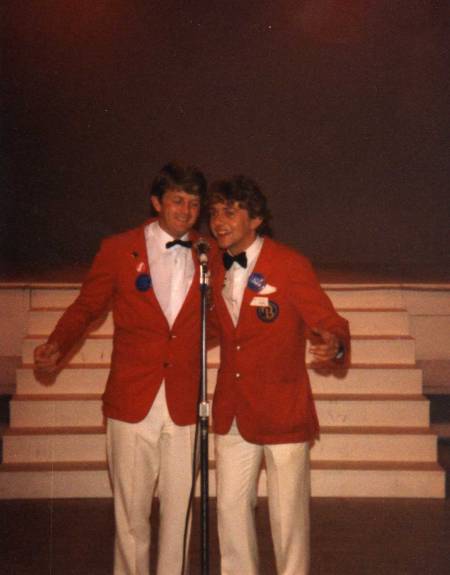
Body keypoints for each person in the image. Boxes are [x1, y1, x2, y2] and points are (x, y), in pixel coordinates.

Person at [34, 161, 209, 575]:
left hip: (185, 401)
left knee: (179, 515)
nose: (185, 211)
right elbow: (87, 306)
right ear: (156, 203)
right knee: (131, 517)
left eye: (194, 203)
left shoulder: (210, 254)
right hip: (132, 400)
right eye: (177, 200)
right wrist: (57, 342)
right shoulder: (118, 248)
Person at [207, 175, 350, 575]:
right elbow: (221, 331)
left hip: (283, 410)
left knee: (288, 521)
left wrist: (333, 344)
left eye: (230, 211)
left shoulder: (289, 264)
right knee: (230, 512)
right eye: (215, 212)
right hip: (232, 410)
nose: (219, 220)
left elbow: (329, 320)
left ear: (256, 220)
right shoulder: (214, 268)